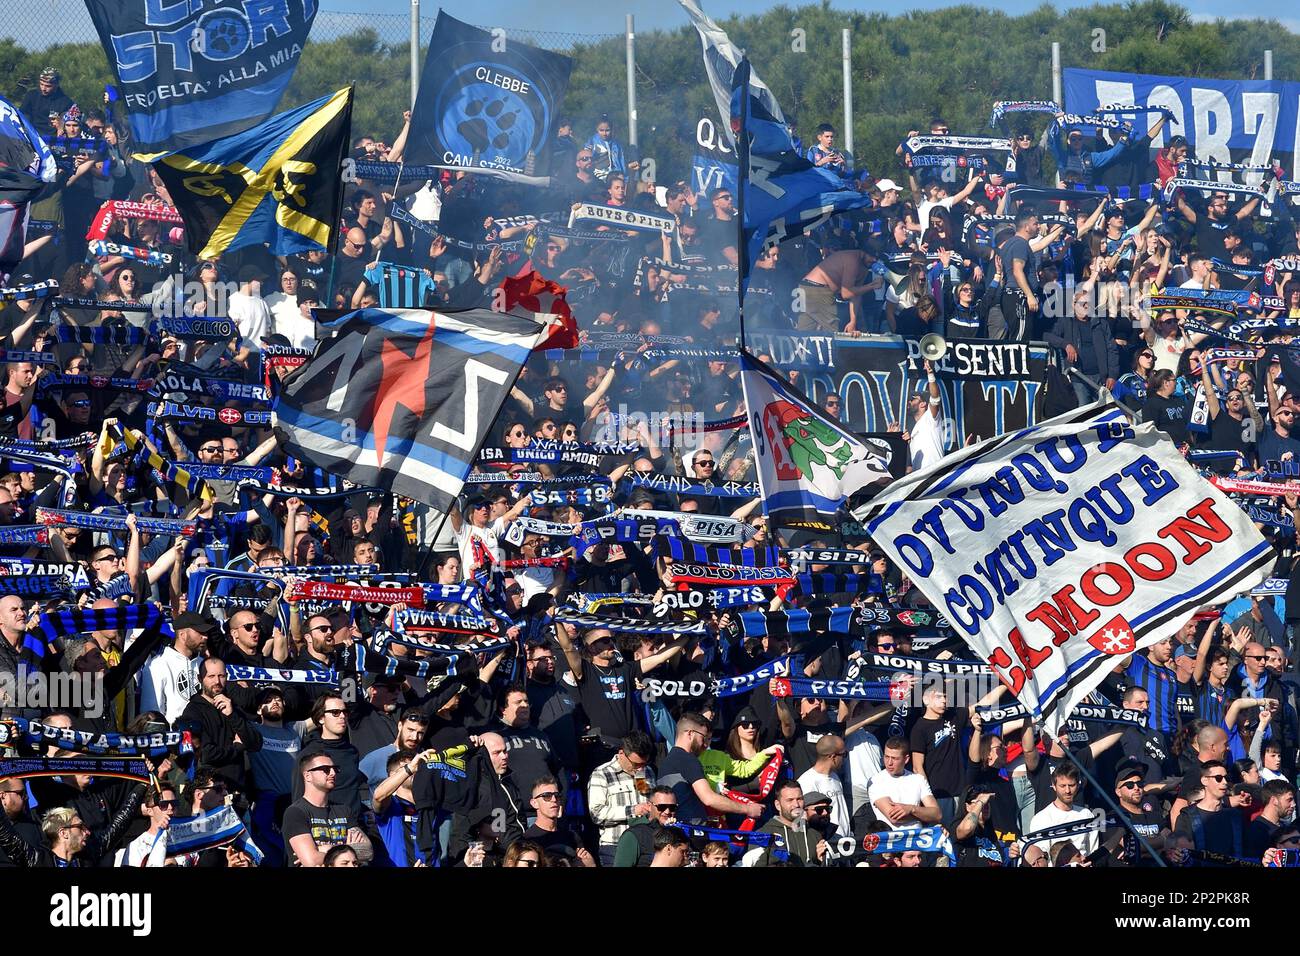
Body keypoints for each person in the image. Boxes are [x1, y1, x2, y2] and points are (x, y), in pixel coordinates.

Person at [657, 712, 763, 825]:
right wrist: (749, 809)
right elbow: (709, 799)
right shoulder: (688, 760)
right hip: (690, 832)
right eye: (703, 738)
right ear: (690, 734)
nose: (706, 744)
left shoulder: (666, 762)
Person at [282, 750, 370, 867]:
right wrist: (349, 850)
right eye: (326, 770)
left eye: (335, 769)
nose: (333, 773)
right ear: (308, 776)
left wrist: (325, 849)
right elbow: (311, 861)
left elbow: (367, 852)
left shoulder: (344, 811)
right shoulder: (296, 812)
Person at [587, 731, 657, 865]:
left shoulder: (646, 771)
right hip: (615, 846)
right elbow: (596, 814)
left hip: (647, 844)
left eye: (644, 763)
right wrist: (632, 810)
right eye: (636, 764)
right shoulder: (602, 774)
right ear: (621, 753)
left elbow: (647, 796)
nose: (640, 768)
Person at [868, 737, 942, 830]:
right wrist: (924, 816)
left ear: (906, 759)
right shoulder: (876, 781)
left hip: (917, 840)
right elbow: (894, 818)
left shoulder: (918, 779)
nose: (889, 763)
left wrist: (911, 809)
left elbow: (937, 814)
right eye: (886, 757)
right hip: (891, 840)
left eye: (895, 758)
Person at [522, 775, 594, 866]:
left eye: (557, 795)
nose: (554, 800)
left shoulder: (572, 836)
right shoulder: (528, 840)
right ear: (534, 803)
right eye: (546, 796)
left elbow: (586, 862)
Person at [1028, 764, 1097, 856]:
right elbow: (1042, 858)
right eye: (1062, 786)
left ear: (1078, 785)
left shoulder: (1087, 815)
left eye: (1071, 785)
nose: (1067, 791)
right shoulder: (1041, 819)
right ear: (1054, 786)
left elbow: (1093, 851)